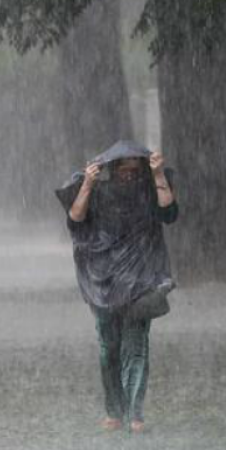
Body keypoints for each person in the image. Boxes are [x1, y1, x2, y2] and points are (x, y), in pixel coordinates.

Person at [55, 141, 178, 434]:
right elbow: (75, 220)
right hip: (102, 280)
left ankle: (135, 413)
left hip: (142, 277)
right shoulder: (97, 192)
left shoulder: (150, 190)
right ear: (111, 170)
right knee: (108, 348)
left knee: (136, 348)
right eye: (123, 171)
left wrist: (158, 175)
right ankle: (114, 411)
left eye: (135, 171)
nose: (129, 176)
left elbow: (169, 214)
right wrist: (87, 183)